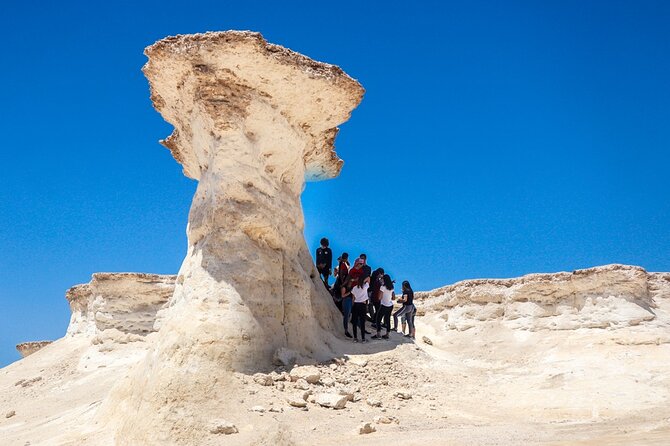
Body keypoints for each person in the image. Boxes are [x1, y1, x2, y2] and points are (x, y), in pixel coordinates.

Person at [372, 274, 395, 339]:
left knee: (378, 319)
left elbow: (379, 297)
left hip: (384, 305)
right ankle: (387, 334)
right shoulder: (392, 287)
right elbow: (393, 298)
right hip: (390, 305)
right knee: (387, 320)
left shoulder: (382, 287)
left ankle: (378, 334)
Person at [350, 275, 370, 342]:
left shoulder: (354, 288)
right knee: (362, 322)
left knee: (355, 322)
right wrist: (363, 281)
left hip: (356, 305)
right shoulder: (365, 287)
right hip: (363, 305)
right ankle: (363, 338)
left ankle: (355, 338)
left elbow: (353, 299)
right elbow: (368, 278)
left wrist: (353, 306)